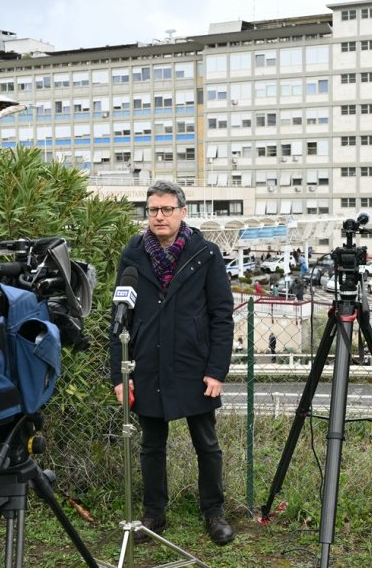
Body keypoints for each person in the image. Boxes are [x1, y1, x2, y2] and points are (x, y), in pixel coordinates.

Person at [110, 181, 235, 546]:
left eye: (166, 209)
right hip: (147, 364)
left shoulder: (206, 254)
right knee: (151, 445)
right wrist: (119, 372)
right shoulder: (133, 254)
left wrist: (216, 370)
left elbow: (221, 316)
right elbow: (119, 318)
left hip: (194, 366)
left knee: (206, 444)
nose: (159, 216)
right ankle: (154, 515)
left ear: (183, 211)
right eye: (153, 210)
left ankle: (214, 513)